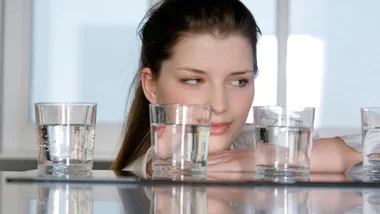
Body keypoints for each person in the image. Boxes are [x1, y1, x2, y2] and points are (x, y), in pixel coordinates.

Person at [111, 0, 362, 174]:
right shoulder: (140, 181)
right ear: (151, 86)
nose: (220, 106)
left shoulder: (256, 143)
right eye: (194, 80)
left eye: (238, 81)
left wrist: (263, 159)